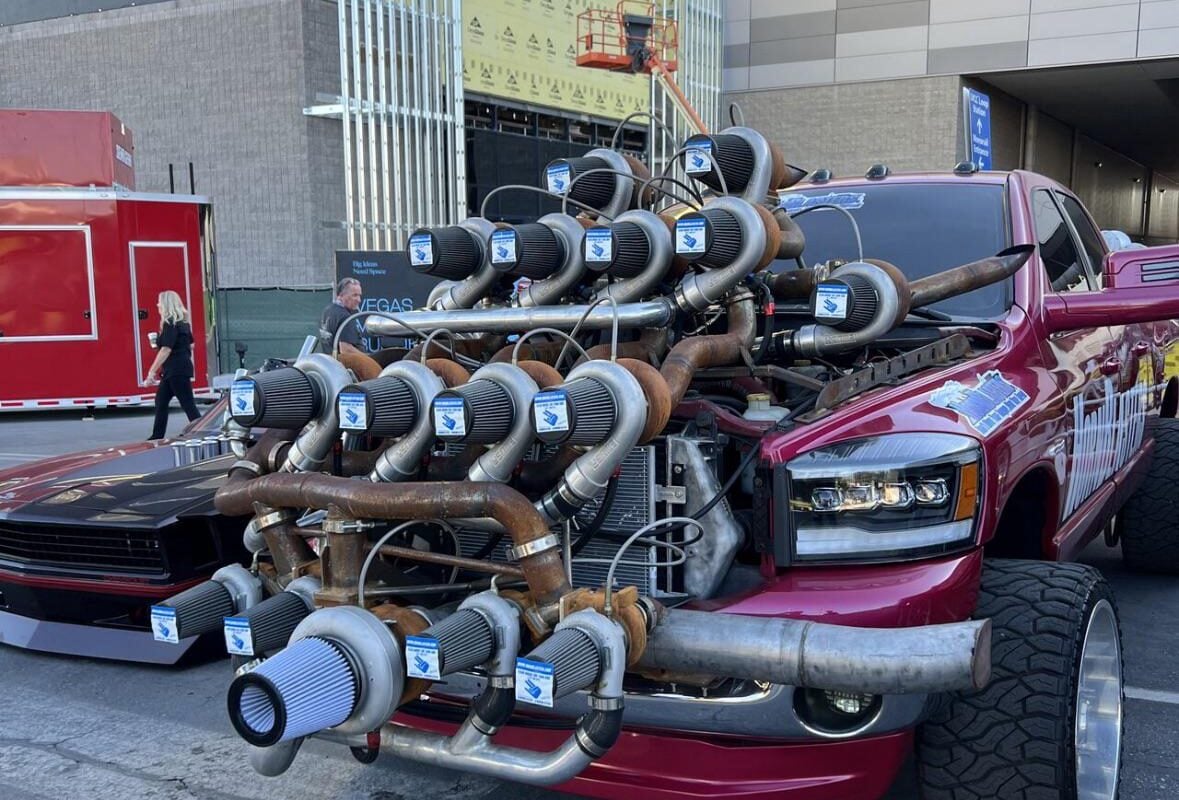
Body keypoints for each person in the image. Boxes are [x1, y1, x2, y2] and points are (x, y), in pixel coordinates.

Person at [144, 290, 202, 440]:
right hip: (178, 369)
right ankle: (157, 436)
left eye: (159, 302)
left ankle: (203, 433)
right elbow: (192, 344)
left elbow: (165, 349)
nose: (158, 305)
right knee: (161, 401)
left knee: (188, 405)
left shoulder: (169, 323)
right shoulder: (183, 323)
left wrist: (151, 372)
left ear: (166, 304)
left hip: (175, 370)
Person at [318, 277, 366, 354]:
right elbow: (346, 350)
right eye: (355, 295)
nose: (359, 300)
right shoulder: (345, 317)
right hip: (344, 365)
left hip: (328, 363)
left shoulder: (327, 310)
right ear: (341, 295)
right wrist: (369, 361)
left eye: (359, 295)